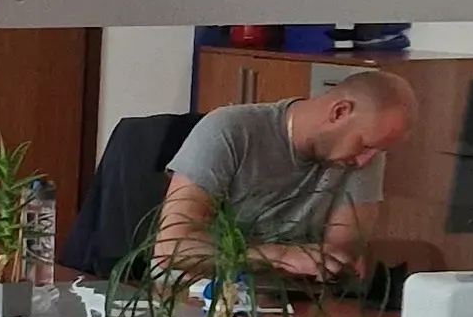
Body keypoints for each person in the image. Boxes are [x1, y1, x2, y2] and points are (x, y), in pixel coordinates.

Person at [155, 67, 419, 282]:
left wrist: (333, 263)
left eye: (378, 150)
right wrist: (279, 255)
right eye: (365, 144)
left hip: (294, 304)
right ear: (340, 112)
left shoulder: (362, 155)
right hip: (200, 297)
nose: (366, 160)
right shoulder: (229, 130)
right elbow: (172, 246)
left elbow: (342, 253)